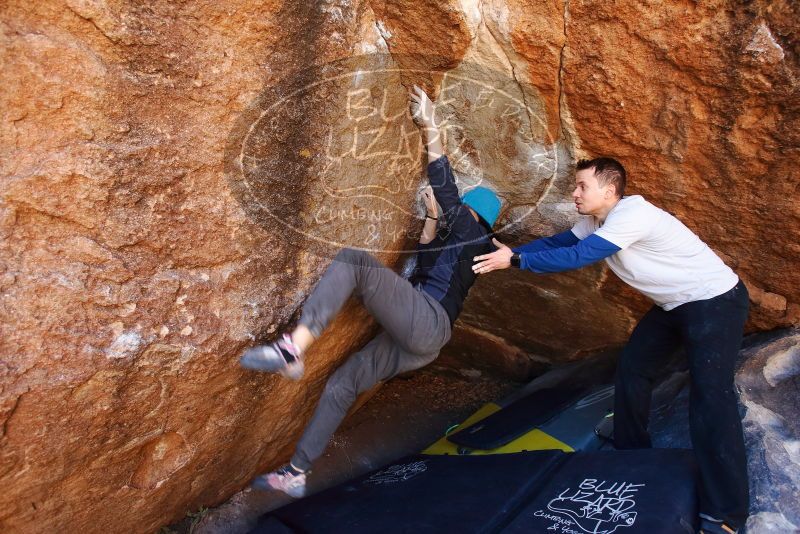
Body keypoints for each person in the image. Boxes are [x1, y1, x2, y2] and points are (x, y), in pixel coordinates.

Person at [239, 86, 501, 498]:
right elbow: (428, 255)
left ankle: (294, 347)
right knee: (343, 384)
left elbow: (445, 183)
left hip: (426, 323)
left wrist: (430, 125)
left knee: (354, 260)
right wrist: (432, 215)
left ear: (473, 214)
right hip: (423, 341)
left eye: (462, 208)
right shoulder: (464, 247)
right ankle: (296, 472)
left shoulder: (472, 230)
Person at [472, 158, 750, 534]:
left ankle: (728, 513)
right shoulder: (593, 221)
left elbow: (580, 255)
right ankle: (633, 456)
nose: (574, 192)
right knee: (633, 369)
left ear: (609, 190)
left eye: (582, 186)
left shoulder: (634, 214)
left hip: (714, 300)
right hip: (673, 305)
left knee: (710, 398)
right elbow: (561, 242)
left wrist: (518, 260)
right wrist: (509, 254)